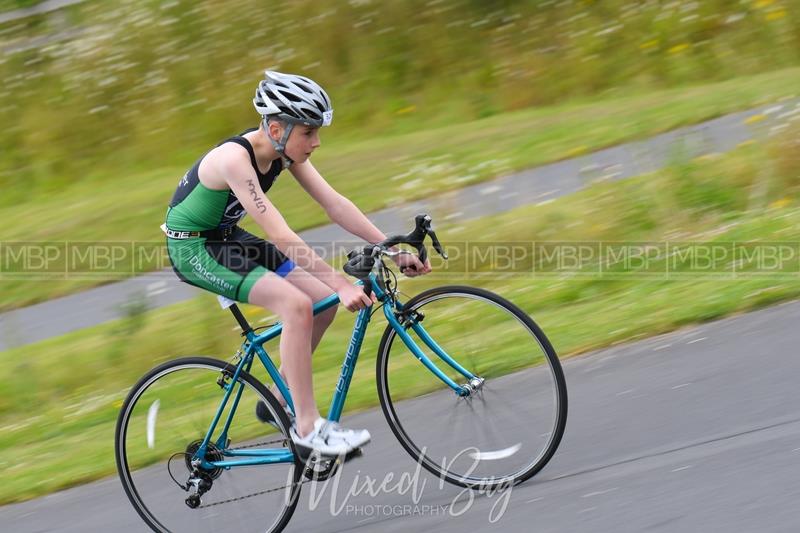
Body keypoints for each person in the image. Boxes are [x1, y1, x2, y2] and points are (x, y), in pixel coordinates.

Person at [164, 70, 431, 457]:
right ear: (276, 127)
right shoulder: (234, 160)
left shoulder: (281, 152)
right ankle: (307, 429)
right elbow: (281, 234)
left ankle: (277, 401)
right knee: (296, 305)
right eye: (308, 132)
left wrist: (390, 247)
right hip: (194, 250)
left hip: (226, 238)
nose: (316, 141)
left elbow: (333, 203)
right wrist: (342, 283)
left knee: (320, 304)